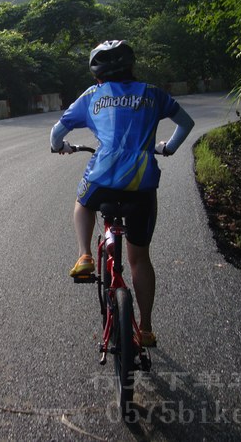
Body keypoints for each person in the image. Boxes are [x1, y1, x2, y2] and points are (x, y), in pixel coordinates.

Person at [50, 40, 195, 347]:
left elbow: (57, 132)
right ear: (132, 67)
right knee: (140, 259)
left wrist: (58, 147)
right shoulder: (153, 93)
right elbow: (186, 123)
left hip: (102, 178)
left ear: (97, 76)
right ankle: (145, 328)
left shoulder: (92, 96)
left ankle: (85, 255)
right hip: (142, 184)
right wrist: (167, 148)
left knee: (82, 203)